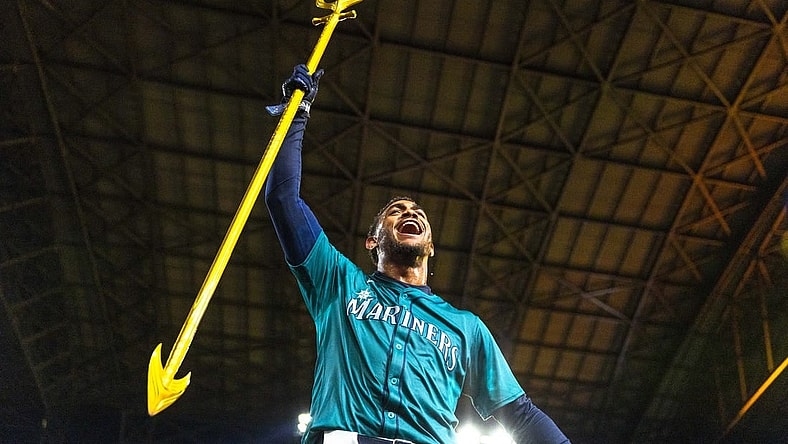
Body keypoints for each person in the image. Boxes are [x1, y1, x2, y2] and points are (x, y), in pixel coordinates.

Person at [264, 65, 570, 444]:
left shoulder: (466, 328)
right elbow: (283, 199)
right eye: (396, 211)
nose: (410, 212)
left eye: (418, 213)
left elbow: (520, 415)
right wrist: (296, 118)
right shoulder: (338, 282)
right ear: (372, 241)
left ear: (430, 246)